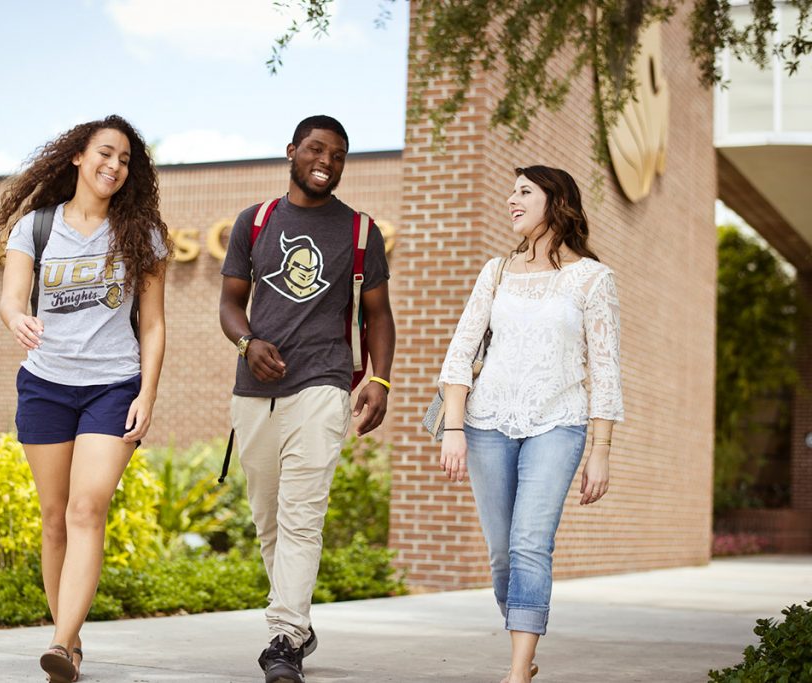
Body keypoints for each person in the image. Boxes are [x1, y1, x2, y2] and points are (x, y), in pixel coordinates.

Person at [0, 114, 170, 683]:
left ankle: (60, 645)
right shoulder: (35, 229)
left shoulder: (143, 234)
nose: (114, 166)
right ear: (77, 159)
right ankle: (72, 636)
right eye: (105, 154)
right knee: (54, 518)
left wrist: (148, 394)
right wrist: (18, 319)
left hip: (114, 386)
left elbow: (155, 326)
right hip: (45, 386)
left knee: (88, 508)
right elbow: (13, 298)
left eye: (125, 160)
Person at [219, 115, 396, 683]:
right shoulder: (257, 220)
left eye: (339, 154)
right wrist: (247, 344)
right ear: (292, 151)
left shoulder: (360, 231)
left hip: (324, 385)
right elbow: (229, 305)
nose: (327, 161)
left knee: (301, 517)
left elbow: (377, 315)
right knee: (269, 520)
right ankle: (294, 619)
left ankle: (285, 638)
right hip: (255, 392)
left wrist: (381, 380)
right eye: (317, 149)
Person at [436, 166, 623, 682]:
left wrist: (600, 450)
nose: (511, 199)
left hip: (558, 424)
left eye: (524, 191)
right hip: (487, 424)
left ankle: (517, 672)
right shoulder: (495, 272)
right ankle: (526, 644)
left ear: (555, 201)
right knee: (502, 554)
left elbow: (605, 370)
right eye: (511, 191)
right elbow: (460, 354)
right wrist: (454, 428)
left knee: (529, 543)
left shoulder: (592, 278)